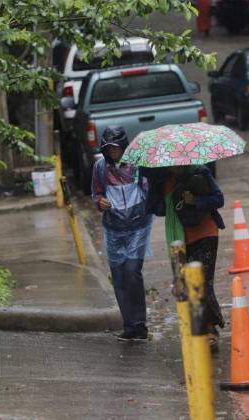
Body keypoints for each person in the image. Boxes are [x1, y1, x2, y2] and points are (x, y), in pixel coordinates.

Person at [92, 126, 154, 342]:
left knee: (131, 270)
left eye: (116, 147)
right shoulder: (100, 167)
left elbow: (149, 191)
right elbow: (96, 193)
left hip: (139, 225)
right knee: (118, 275)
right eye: (109, 148)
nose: (113, 152)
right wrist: (100, 202)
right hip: (113, 227)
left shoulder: (137, 164)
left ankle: (139, 324)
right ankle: (129, 326)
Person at [155, 166, 226, 348]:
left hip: (205, 235)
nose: (176, 165)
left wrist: (195, 200)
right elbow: (159, 209)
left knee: (202, 283)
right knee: (187, 286)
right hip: (180, 241)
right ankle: (200, 328)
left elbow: (218, 199)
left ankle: (210, 329)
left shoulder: (200, 172)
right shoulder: (165, 180)